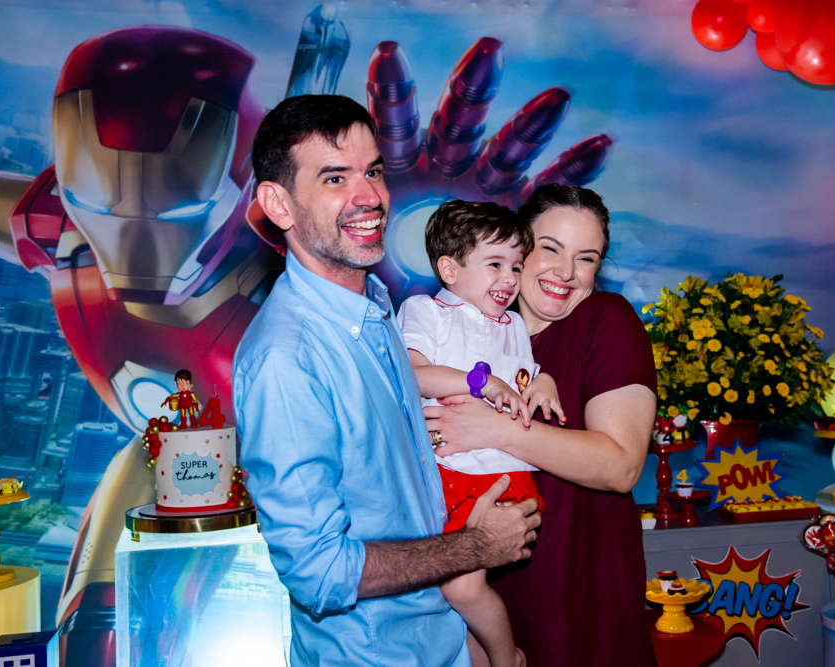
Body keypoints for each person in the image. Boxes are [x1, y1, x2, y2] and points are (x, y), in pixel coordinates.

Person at [232, 95, 541, 667]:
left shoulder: (376, 306)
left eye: (373, 171)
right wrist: (474, 547)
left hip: (444, 644)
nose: (370, 196)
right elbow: (320, 573)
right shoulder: (285, 358)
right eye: (334, 178)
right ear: (278, 204)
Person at [423, 184, 658, 667]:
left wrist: (497, 428)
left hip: (580, 598)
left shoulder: (604, 319)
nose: (566, 272)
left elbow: (622, 466)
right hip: (483, 586)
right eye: (550, 249)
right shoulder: (476, 333)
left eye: (586, 258)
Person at [397, 200, 566, 667]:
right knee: (435, 589)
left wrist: (545, 382)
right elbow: (414, 375)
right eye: (495, 264)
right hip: (442, 473)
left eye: (516, 266)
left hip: (495, 476)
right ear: (449, 269)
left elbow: (526, 378)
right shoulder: (425, 311)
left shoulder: (513, 325)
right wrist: (480, 381)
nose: (510, 278)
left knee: (460, 586)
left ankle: (507, 659)